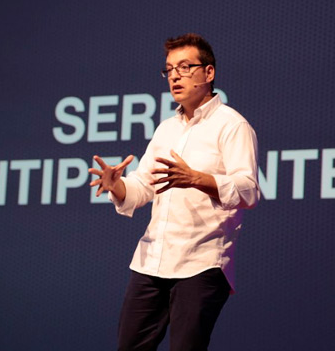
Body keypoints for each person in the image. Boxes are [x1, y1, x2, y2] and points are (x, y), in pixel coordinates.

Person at [88, 33, 260, 350]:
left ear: (209, 73)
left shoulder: (232, 126)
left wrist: (198, 179)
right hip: (151, 261)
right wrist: (118, 186)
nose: (175, 76)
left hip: (202, 261)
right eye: (169, 69)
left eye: (185, 66)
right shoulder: (167, 128)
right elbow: (143, 186)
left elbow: (248, 190)